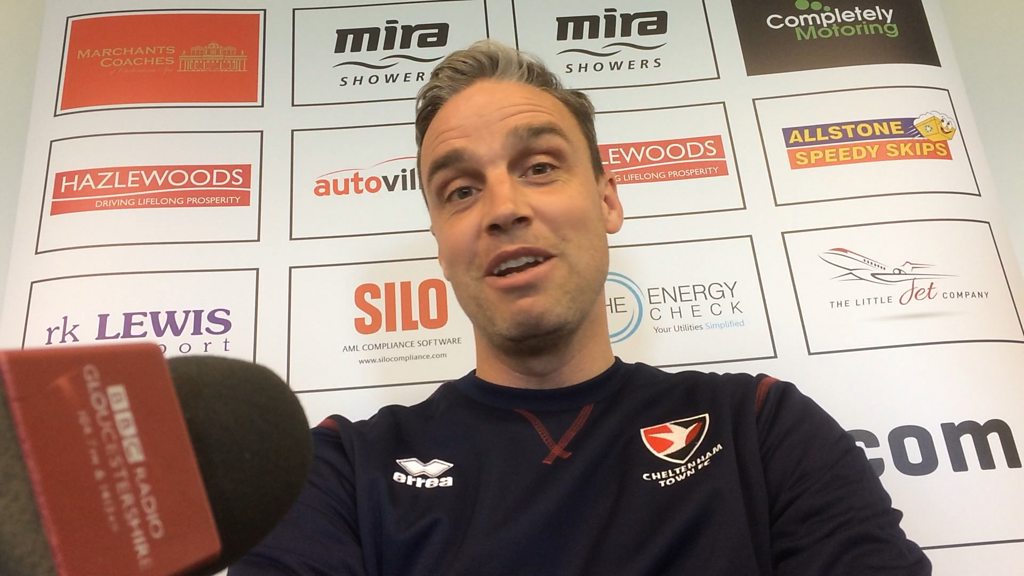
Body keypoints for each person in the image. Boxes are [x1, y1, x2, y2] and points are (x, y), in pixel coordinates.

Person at [229, 40, 931, 575]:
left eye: (539, 167)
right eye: (461, 190)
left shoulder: (762, 427)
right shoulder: (342, 472)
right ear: (440, 241)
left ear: (607, 199)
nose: (503, 208)